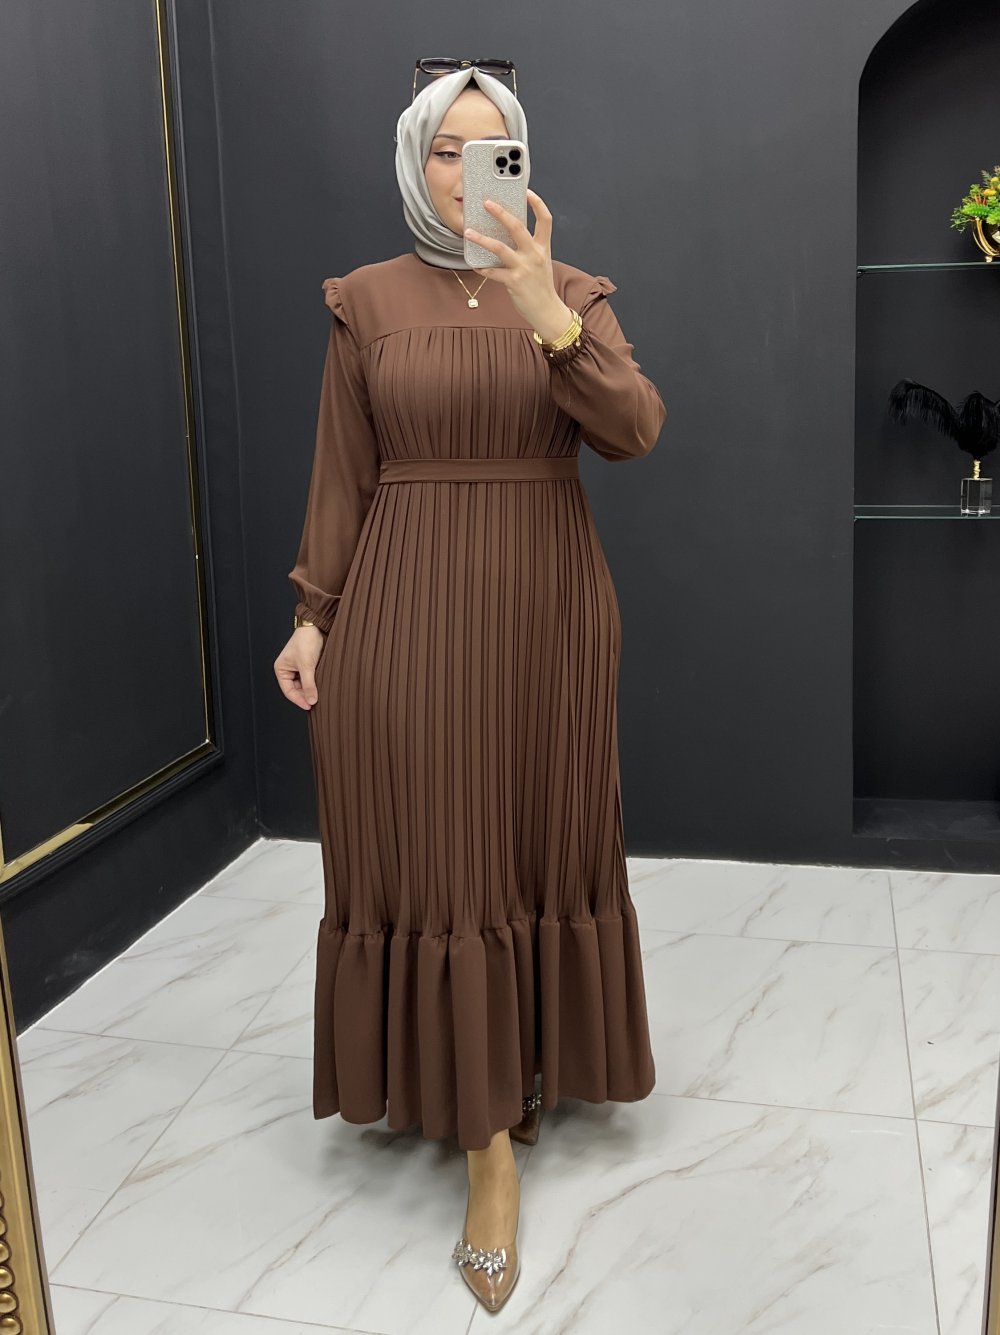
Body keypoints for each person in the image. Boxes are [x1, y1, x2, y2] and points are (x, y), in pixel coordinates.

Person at [274, 61, 666, 1314]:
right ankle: (486, 1146)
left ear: (522, 163)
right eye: (446, 148)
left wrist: (545, 309)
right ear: (414, 160)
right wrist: (313, 614)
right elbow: (343, 470)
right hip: (404, 614)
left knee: (540, 841)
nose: (466, 170)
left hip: (548, 613)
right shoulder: (365, 302)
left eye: (492, 148)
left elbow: (632, 428)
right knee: (443, 858)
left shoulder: (571, 290)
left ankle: (526, 1059)